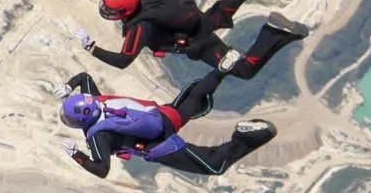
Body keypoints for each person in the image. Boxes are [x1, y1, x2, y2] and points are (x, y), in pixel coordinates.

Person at [62, 0, 307, 79]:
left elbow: (123, 60)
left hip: (197, 43)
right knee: (222, 10)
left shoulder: (141, 27)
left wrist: (91, 48)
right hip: (195, 19)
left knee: (245, 70)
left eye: (111, 11)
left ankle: (273, 31)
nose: (106, 10)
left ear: (124, 12)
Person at [58, 70, 277, 178]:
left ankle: (247, 136)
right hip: (160, 118)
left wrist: (77, 155)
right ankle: (220, 71)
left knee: (214, 165)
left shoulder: (97, 136)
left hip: (158, 146)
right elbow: (84, 78)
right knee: (192, 101)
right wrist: (69, 86)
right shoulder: (96, 100)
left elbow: (101, 170)